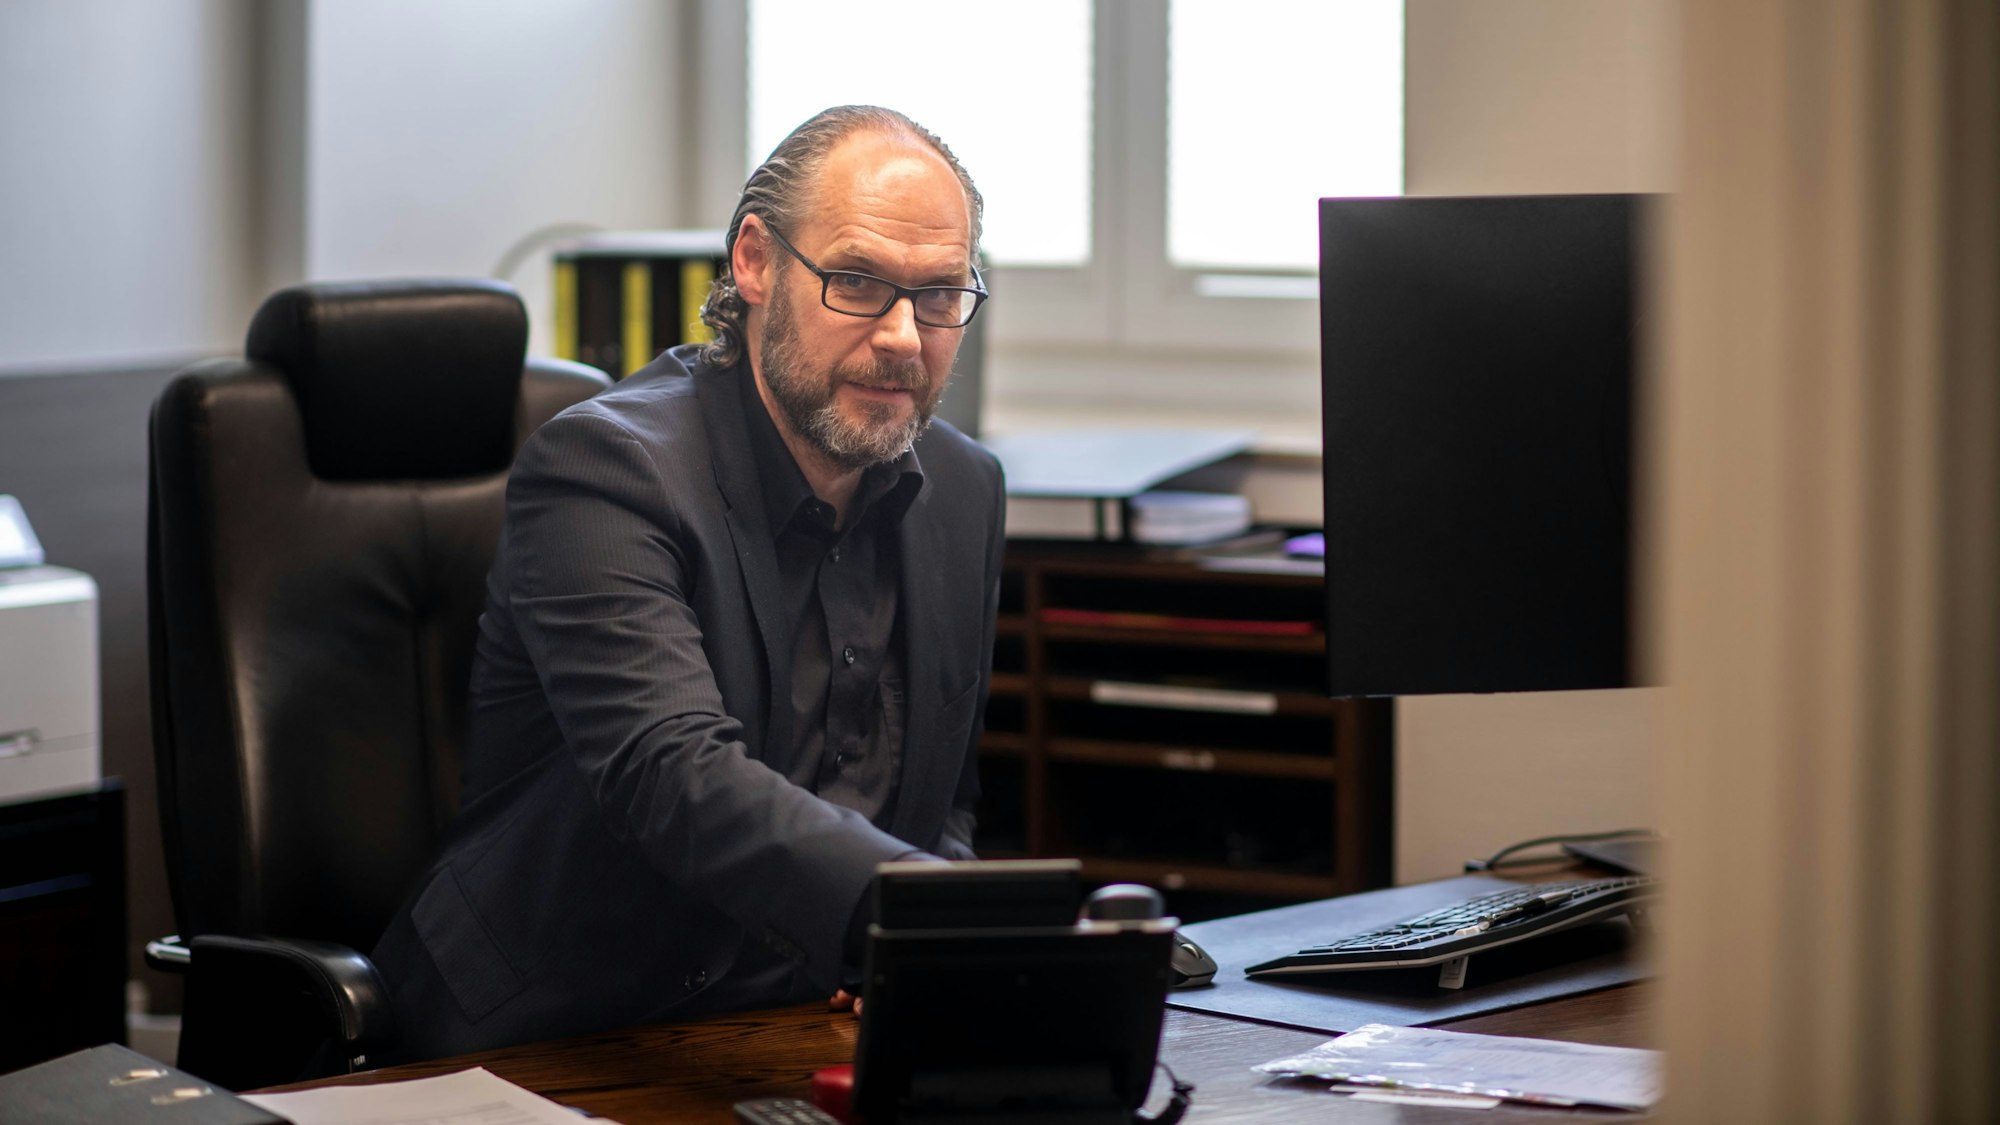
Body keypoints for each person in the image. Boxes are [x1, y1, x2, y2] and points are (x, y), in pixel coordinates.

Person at [371, 105, 1004, 1060]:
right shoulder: (603, 468)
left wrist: (914, 961)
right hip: (556, 1037)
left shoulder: (965, 489)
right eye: (858, 283)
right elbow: (673, 775)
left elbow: (945, 791)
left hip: (795, 1031)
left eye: (940, 294)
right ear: (754, 262)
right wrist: (925, 917)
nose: (905, 338)